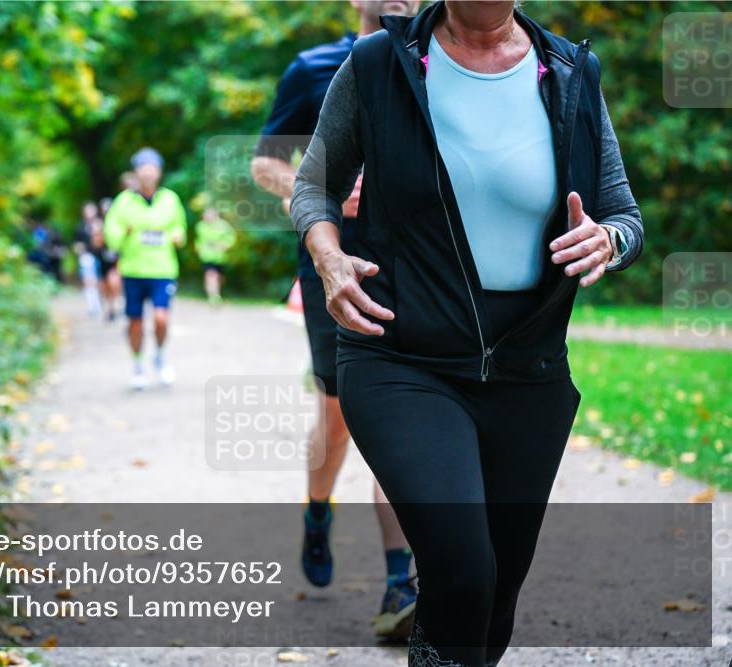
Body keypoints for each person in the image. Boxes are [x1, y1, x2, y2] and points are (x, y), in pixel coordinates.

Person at [292, 1, 643, 664]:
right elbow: (316, 184)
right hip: (400, 356)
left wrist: (610, 240)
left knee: (495, 601)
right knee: (462, 572)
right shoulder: (379, 64)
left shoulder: (570, 72)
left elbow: (624, 213)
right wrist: (329, 258)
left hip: (527, 369)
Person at [251, 0, 421, 641]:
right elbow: (264, 162)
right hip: (333, 265)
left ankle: (400, 583)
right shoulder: (314, 67)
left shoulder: (436, 64)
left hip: (412, 265)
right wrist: (316, 181)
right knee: (339, 412)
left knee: (398, 411)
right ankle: (317, 508)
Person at [104, 147, 187, 390]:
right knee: (135, 323)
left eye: (153, 168)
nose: (148, 173)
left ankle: (160, 356)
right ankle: (138, 365)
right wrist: (124, 233)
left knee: (161, 319)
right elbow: (112, 237)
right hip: (133, 271)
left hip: (163, 270)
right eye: (143, 168)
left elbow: (178, 226)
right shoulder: (123, 202)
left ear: (159, 172)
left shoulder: (170, 199)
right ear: (136, 172)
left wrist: (177, 236)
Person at [194, 207, 236, 305]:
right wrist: (198, 248)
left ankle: (216, 292)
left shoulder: (223, 225)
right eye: (206, 215)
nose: (207, 217)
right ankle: (213, 297)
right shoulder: (200, 226)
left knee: (219, 278)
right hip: (207, 257)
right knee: (210, 276)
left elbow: (231, 237)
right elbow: (198, 240)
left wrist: (226, 244)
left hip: (220, 257)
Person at [72, 201, 104, 316]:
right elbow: (76, 244)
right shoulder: (80, 227)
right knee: (89, 281)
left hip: (101, 256)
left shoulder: (101, 224)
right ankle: (92, 306)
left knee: (99, 281)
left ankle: (99, 302)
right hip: (86, 256)